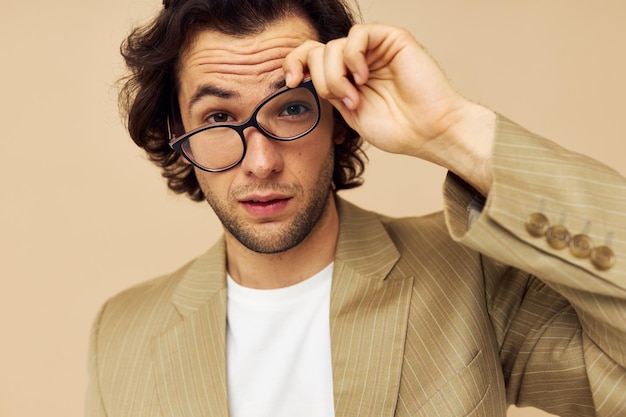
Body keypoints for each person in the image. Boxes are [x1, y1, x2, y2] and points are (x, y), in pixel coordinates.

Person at [86, 0, 626, 416]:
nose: (261, 161)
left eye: (292, 108)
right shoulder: (124, 331)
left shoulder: (468, 274)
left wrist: (451, 129)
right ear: (179, 134)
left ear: (341, 115)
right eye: (216, 118)